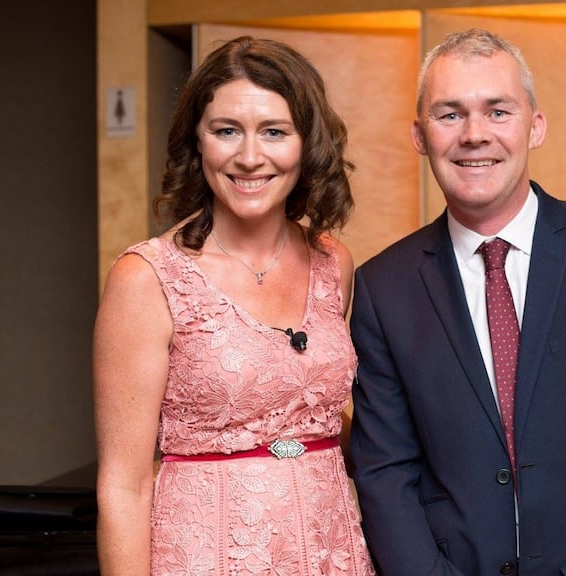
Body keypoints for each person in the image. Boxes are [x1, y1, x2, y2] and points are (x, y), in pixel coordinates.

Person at [349, 28, 566, 576]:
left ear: (536, 126)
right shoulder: (384, 287)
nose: (474, 135)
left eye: (498, 111)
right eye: (450, 114)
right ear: (419, 135)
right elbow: (385, 472)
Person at [92, 36, 374, 575]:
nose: (249, 157)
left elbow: (303, 408)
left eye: (274, 131)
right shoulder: (147, 278)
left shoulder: (332, 263)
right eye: (226, 131)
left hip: (330, 552)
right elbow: (124, 485)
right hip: (206, 556)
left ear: (307, 143)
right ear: (197, 142)